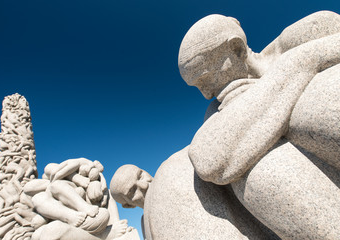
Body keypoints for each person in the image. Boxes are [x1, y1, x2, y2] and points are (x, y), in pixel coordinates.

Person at [178, 11, 340, 239]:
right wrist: (298, 66)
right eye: (196, 86)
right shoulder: (216, 109)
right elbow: (210, 160)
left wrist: (297, 60)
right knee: (255, 170)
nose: (205, 94)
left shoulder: (301, 36)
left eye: (205, 79)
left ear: (237, 49)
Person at [110, 160, 279, 240]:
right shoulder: (143, 221)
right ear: (127, 205)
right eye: (132, 191)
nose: (144, 184)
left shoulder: (174, 175)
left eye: (140, 174)